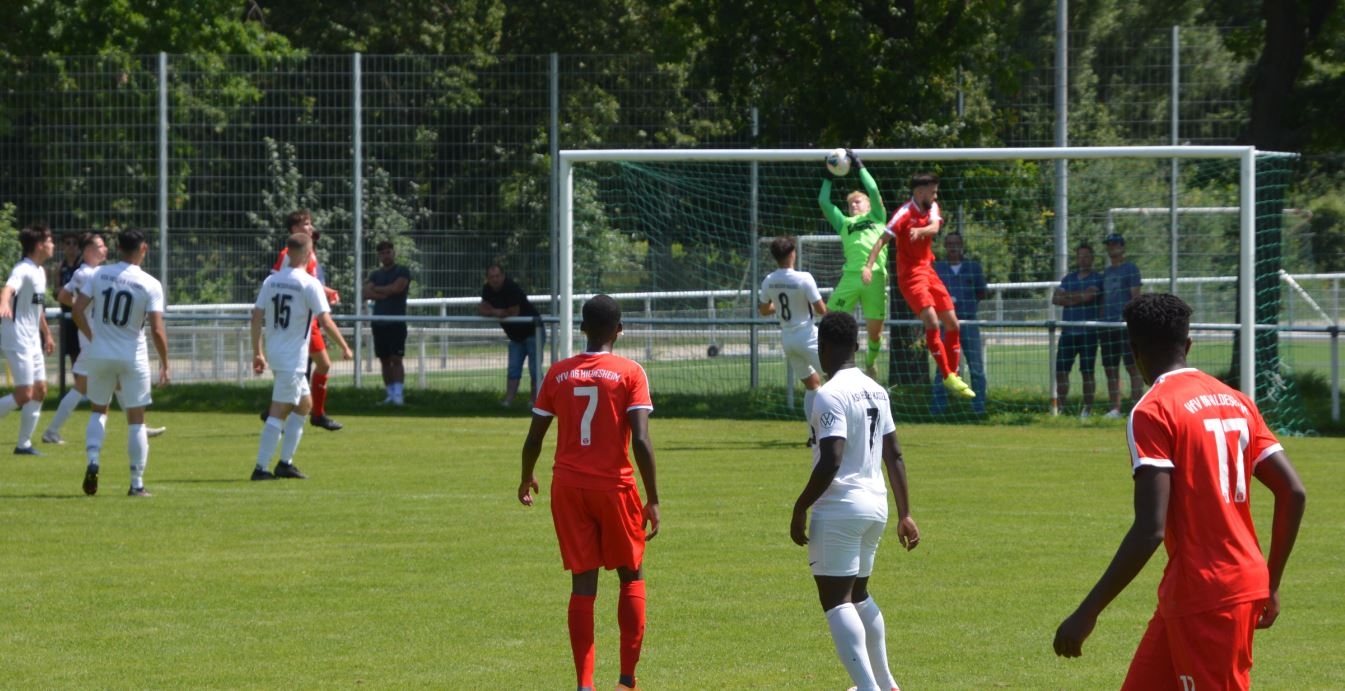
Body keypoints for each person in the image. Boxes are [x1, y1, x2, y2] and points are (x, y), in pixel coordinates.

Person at [1054, 293, 1306, 689]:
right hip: (1203, 589)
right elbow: (1293, 491)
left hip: (1208, 597)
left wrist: (1088, 612)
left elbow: (1150, 529)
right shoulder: (1237, 401)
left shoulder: (1153, 411)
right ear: (1188, 344)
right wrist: (1269, 583)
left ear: (1133, 351)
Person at [519, 294, 658, 691]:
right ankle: (627, 681)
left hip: (568, 487)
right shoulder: (630, 372)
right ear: (620, 329)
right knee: (631, 575)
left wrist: (526, 476)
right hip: (614, 486)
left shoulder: (559, 372)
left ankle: (584, 684)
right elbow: (642, 442)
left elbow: (534, 438)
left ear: (582, 328)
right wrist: (654, 498)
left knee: (583, 582)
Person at [790, 311, 918, 691]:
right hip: (876, 506)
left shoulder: (829, 394)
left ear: (823, 347)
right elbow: (894, 454)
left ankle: (867, 687)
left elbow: (831, 457)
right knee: (858, 594)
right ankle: (886, 683)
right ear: (857, 345)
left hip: (841, 506)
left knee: (835, 600)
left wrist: (800, 507)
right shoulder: (876, 389)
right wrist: (906, 513)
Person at [41, 233, 168, 445]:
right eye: (99, 246)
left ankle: (139, 425)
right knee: (82, 386)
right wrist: (86, 308)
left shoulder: (99, 274)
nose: (105, 250)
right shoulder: (86, 274)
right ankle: (52, 430)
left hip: (101, 339)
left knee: (117, 383)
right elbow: (63, 295)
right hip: (95, 339)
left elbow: (65, 297)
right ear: (87, 250)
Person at [71, 229, 169, 497]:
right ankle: (136, 483)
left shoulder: (99, 274)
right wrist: (165, 363)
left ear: (117, 248)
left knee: (98, 410)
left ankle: (93, 461)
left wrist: (93, 337)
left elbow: (77, 310)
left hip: (100, 353)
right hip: (132, 355)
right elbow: (158, 330)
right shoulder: (150, 283)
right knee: (136, 420)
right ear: (144, 249)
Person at [863, 172, 974, 400]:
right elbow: (882, 240)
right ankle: (947, 375)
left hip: (929, 271)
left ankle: (953, 374)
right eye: (932, 191)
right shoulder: (903, 213)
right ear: (919, 192)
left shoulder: (932, 207)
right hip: (910, 276)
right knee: (932, 321)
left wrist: (920, 231)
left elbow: (933, 228)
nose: (936, 195)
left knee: (953, 324)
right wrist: (868, 266)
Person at [250, 233, 352, 481]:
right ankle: (260, 468)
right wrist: (345, 346)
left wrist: (258, 351)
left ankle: (285, 464)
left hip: (276, 351)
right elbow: (325, 321)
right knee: (279, 410)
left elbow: (256, 316)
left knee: (305, 405)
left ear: (287, 252)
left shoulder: (271, 281)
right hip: (292, 357)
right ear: (308, 254)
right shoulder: (309, 283)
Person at [266, 209, 344, 431]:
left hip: (307, 319)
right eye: (306, 224)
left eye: (310, 224)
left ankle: (286, 410)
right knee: (319, 365)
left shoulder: (309, 253)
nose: (310, 227)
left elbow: (307, 283)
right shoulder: (287, 255)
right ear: (294, 229)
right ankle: (309, 413)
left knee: (305, 369)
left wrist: (326, 291)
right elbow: (282, 282)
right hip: (301, 322)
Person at [817, 147, 889, 378]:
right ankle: (834, 367)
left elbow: (873, 188)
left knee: (875, 334)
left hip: (874, 276)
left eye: (858, 202)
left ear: (869, 205)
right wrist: (829, 175)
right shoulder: (844, 223)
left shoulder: (877, 217)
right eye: (851, 204)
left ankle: (870, 360)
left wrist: (859, 165)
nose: (854, 205)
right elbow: (823, 201)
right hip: (850, 276)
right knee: (829, 320)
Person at [759, 235, 828, 444]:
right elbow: (821, 309)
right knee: (837, 379)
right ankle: (843, 430)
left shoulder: (769, 280)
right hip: (807, 335)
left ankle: (813, 435)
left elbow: (764, 310)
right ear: (792, 254)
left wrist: (779, 306)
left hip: (787, 339)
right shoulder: (804, 278)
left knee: (812, 385)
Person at [0, 224, 56, 455]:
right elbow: (8, 288)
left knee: (40, 390)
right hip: (17, 338)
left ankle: (23, 445)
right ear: (40, 245)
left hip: (32, 339)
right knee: (25, 394)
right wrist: (3, 302)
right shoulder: (23, 269)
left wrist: (47, 333)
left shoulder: (40, 271)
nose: (53, 245)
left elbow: (37, 307)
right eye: (50, 241)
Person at [930, 231, 987, 414]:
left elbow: (981, 292)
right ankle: (938, 408)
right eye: (949, 244)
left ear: (962, 246)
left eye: (956, 244)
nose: (953, 247)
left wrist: (967, 305)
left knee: (976, 368)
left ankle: (979, 407)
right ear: (945, 247)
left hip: (969, 323)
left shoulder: (973, 267)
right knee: (943, 367)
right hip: (946, 325)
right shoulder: (938, 268)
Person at [1051, 243, 1105, 418]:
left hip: (1088, 333)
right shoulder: (1068, 278)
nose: (1083, 259)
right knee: (1061, 371)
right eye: (1080, 256)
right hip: (1068, 333)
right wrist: (1079, 297)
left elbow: (1090, 295)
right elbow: (1056, 298)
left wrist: (1069, 297)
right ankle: (1061, 408)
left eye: (1086, 256)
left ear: (1092, 258)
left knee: (1087, 372)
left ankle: (1087, 410)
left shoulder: (1097, 278)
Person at [480, 264, 543, 407]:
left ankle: (535, 401)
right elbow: (482, 308)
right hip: (515, 337)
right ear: (487, 279)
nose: (495, 280)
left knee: (534, 369)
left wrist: (495, 311)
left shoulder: (511, 287)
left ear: (503, 276)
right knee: (513, 368)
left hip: (533, 332)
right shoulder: (487, 289)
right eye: (491, 277)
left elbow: (513, 311)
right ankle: (508, 401)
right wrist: (497, 312)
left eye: (497, 276)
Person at [1099, 232, 1144, 418]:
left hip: (1125, 326)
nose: (1112, 248)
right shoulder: (1107, 272)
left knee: (1133, 367)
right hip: (1107, 326)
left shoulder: (1131, 269)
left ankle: (1137, 408)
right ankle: (1115, 409)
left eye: (1115, 244)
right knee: (1111, 368)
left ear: (1122, 247)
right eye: (1109, 245)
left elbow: (1136, 295)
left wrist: (1133, 321)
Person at [362, 240, 412, 405]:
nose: (385, 255)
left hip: (396, 322)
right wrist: (386, 292)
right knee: (384, 360)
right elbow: (366, 292)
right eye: (382, 253)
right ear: (379, 256)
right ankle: (390, 395)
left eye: (388, 251)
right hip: (379, 323)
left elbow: (397, 288)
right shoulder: (375, 274)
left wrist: (379, 290)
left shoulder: (402, 271)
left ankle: (398, 395)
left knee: (396, 359)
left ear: (393, 252)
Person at [55, 233, 82, 373]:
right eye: (68, 243)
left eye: (74, 243)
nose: (71, 246)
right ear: (63, 247)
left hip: (82, 313)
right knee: (72, 353)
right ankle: (80, 389)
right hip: (67, 313)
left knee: (84, 351)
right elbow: (57, 291)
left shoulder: (82, 266)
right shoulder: (61, 266)